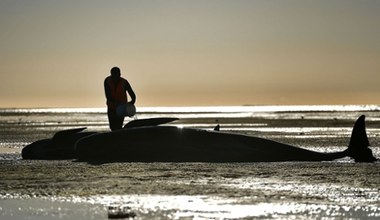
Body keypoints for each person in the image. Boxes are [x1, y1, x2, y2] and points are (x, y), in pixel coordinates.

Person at [104, 66, 136, 131]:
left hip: (121, 109)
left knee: (118, 126)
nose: (115, 77)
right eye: (114, 75)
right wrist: (115, 102)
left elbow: (132, 95)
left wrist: (131, 103)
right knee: (112, 126)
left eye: (117, 75)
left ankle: (119, 137)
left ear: (120, 74)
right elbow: (107, 95)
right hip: (111, 107)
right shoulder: (107, 81)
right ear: (111, 74)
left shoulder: (124, 82)